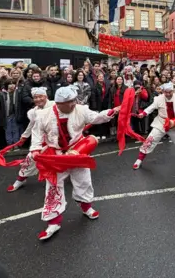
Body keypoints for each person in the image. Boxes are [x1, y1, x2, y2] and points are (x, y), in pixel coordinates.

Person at [30, 86, 119, 241]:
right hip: (56, 156)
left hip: (78, 152)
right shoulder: (43, 115)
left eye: (74, 100)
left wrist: (110, 112)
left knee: (84, 181)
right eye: (69, 102)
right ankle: (53, 222)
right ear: (58, 103)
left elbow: (96, 117)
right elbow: (36, 134)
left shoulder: (81, 109)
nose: (73, 104)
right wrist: (35, 149)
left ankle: (86, 207)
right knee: (53, 186)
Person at [6, 87, 54, 192]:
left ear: (46, 96)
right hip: (41, 140)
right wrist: (24, 136)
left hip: (57, 139)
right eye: (35, 97)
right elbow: (31, 125)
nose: (38, 99)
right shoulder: (34, 112)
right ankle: (20, 179)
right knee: (31, 158)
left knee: (63, 160)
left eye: (40, 96)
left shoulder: (55, 106)